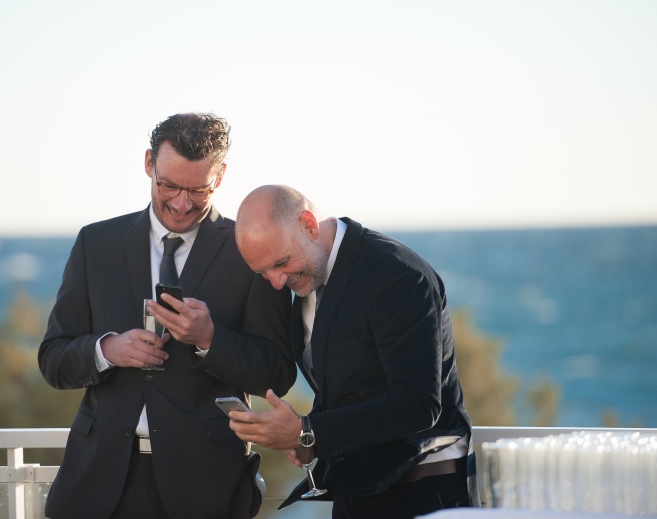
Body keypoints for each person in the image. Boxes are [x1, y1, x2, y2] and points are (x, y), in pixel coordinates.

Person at [38, 114, 295, 519]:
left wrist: (211, 339)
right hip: (96, 483)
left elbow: (278, 374)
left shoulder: (249, 251)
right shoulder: (96, 243)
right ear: (148, 164)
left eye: (197, 190)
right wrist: (108, 350)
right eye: (168, 185)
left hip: (206, 487)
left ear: (221, 176)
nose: (180, 203)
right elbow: (53, 360)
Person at [229, 185, 480, 519]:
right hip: (359, 495)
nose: (276, 282)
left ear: (308, 225)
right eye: (263, 272)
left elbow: (419, 405)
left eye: (281, 263)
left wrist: (308, 429)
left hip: (423, 496)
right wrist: (310, 441)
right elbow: (353, 387)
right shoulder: (308, 277)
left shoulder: (395, 273)